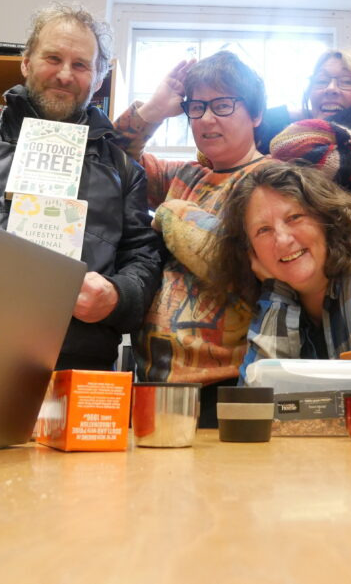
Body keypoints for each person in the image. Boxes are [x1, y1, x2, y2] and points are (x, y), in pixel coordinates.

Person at [0, 3, 162, 372]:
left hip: (78, 368)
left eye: (80, 64)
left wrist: (118, 297)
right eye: (53, 58)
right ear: (26, 62)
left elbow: (143, 259)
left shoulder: (124, 170)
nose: (64, 75)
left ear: (98, 77)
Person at [204, 161, 351, 427]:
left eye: (294, 218)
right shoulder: (279, 295)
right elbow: (251, 418)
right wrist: (277, 291)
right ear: (250, 252)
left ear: (327, 219)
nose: (282, 240)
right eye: (263, 230)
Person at [112, 50, 271, 424]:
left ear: (256, 114)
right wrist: (152, 111)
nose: (207, 119)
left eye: (223, 105)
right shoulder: (184, 176)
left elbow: (244, 264)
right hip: (152, 384)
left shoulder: (274, 181)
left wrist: (171, 213)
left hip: (227, 389)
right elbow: (108, 159)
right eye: (197, 108)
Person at [266, 49, 351, 226]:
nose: (330, 89)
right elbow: (259, 121)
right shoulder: (314, 139)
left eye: (347, 82)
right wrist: (299, 112)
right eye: (321, 81)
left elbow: (284, 145)